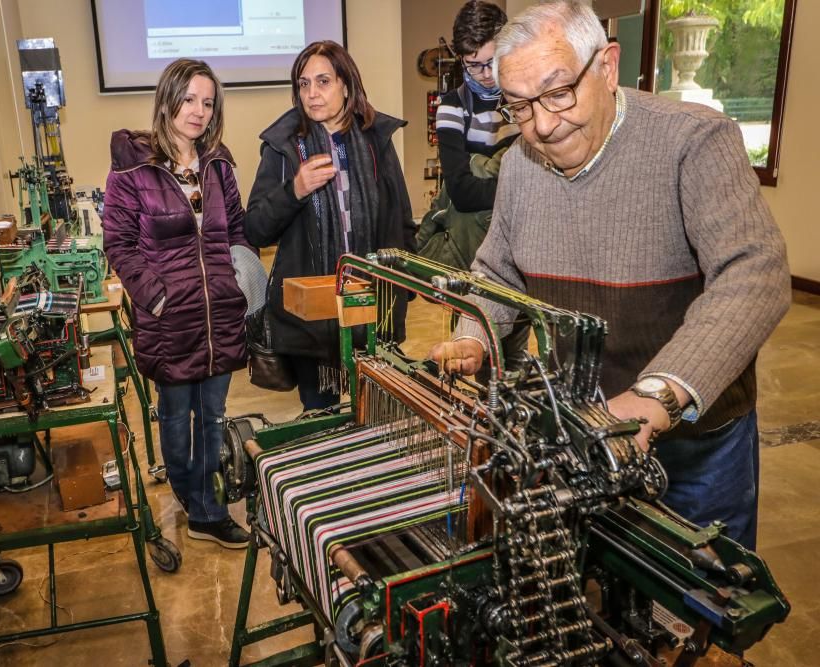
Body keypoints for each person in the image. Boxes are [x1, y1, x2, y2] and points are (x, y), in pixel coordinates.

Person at [430, 1, 789, 550]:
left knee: (703, 599)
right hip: (577, 430)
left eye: (558, 92)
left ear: (607, 66)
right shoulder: (521, 164)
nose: (543, 126)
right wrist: (473, 338)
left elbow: (754, 274)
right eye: (520, 106)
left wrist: (658, 394)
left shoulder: (692, 140)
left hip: (692, 442)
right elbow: (496, 268)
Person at [103, 59, 251, 549]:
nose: (199, 111)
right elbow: (119, 243)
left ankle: (207, 510)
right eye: (189, 99)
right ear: (168, 98)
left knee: (212, 415)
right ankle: (191, 492)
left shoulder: (218, 164)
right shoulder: (133, 168)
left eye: (208, 102)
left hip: (218, 314)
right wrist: (155, 297)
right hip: (170, 319)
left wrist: (241, 286)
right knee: (174, 415)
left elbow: (237, 230)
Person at [244, 41, 416, 411]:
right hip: (311, 321)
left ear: (347, 86)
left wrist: (407, 293)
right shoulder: (284, 147)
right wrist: (295, 191)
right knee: (320, 418)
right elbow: (256, 228)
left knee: (377, 417)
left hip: (373, 309)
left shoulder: (377, 141)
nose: (312, 93)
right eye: (304, 84)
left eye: (323, 81)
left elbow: (401, 222)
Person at [434, 0, 520, 214]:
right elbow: (462, 193)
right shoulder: (452, 107)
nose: (487, 74)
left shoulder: (526, 97)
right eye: (474, 65)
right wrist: (522, 190)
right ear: (462, 60)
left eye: (492, 62)